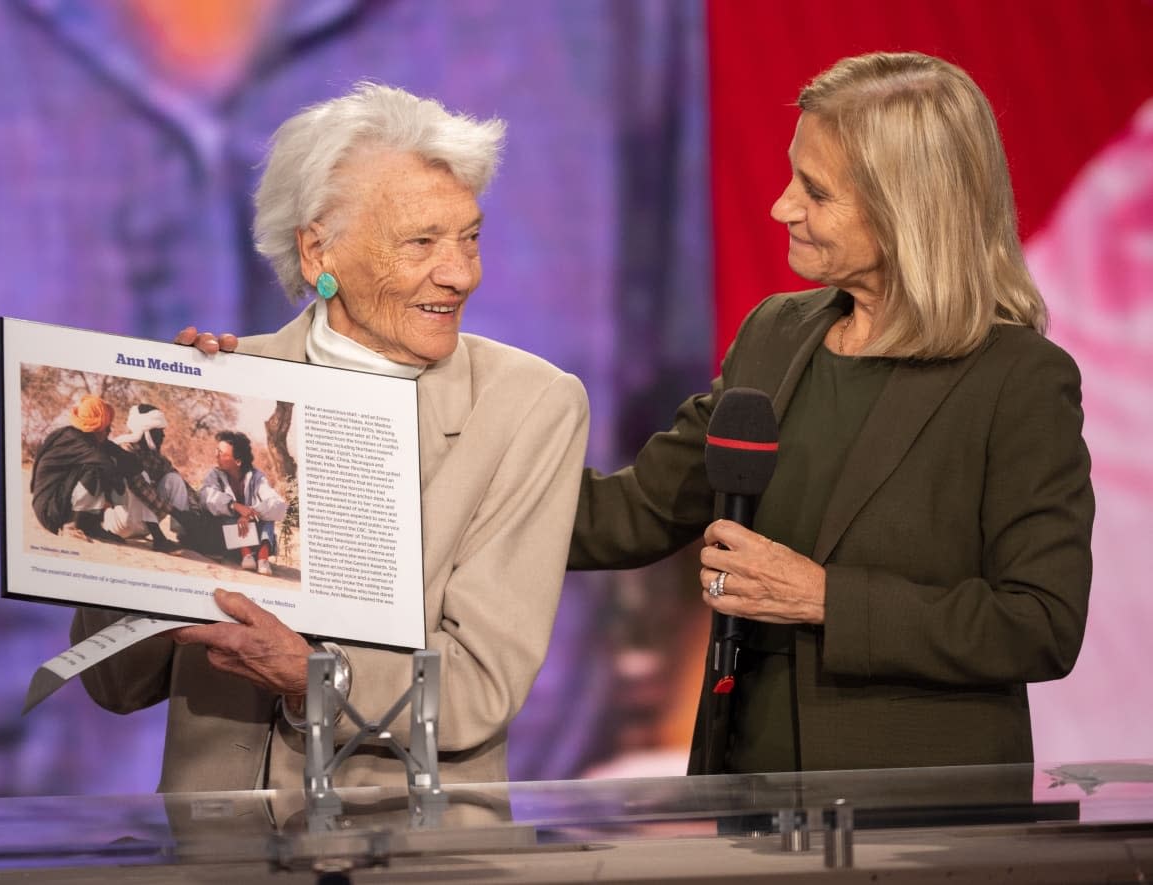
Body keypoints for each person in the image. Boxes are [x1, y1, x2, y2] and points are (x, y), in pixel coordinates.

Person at [569, 51, 1094, 775]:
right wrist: (433, 496)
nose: (782, 205)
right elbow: (633, 510)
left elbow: (1040, 623)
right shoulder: (775, 333)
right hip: (751, 791)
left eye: (814, 190)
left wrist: (825, 598)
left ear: (905, 210)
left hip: (925, 822)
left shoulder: (1018, 382)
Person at [71, 83, 589, 792]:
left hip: (408, 853)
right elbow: (112, 681)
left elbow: (480, 687)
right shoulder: (223, 388)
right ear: (319, 250)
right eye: (422, 242)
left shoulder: (531, 406)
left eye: (470, 236)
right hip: (214, 854)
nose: (461, 272)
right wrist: (144, 466)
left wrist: (316, 677)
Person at [30, 394, 135, 544]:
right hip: (50, 511)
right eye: (107, 427)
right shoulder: (74, 438)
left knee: (105, 466)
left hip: (59, 503)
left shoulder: (88, 438)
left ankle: (91, 526)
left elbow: (127, 459)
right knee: (95, 470)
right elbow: (105, 463)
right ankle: (71, 526)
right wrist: (115, 491)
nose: (110, 431)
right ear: (98, 426)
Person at [101, 403, 195, 552]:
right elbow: (139, 486)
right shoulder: (123, 448)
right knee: (139, 476)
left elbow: (183, 484)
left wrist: (195, 510)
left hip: (142, 526)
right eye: (159, 431)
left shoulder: (154, 456)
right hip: (120, 522)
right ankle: (159, 540)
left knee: (174, 479)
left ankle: (184, 534)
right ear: (146, 431)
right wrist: (176, 512)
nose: (163, 435)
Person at [197, 430, 287, 575]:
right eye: (217, 451)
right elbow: (206, 497)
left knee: (267, 514)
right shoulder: (214, 475)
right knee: (229, 514)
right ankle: (246, 554)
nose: (216, 456)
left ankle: (262, 559)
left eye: (222, 454)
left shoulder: (256, 477)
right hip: (225, 540)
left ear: (238, 461)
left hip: (255, 539)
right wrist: (234, 505)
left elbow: (278, 504)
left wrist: (251, 513)